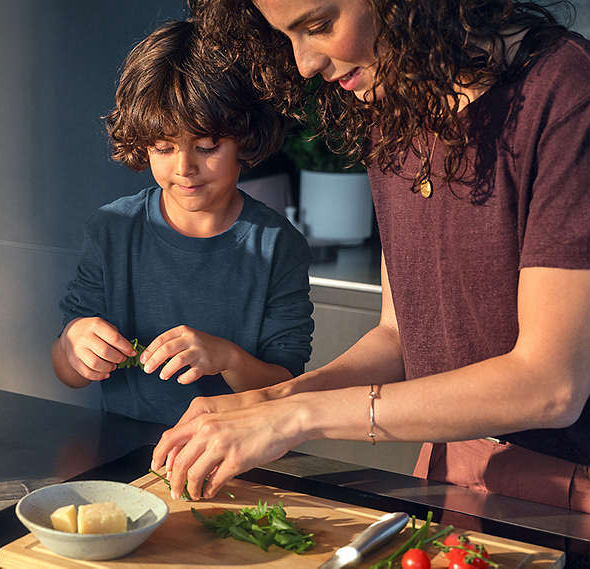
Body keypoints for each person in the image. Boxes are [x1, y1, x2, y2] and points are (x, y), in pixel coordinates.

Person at [152, 0, 590, 512]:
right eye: (287, 37)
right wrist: (271, 400)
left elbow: (549, 385)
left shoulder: (566, 92)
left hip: (567, 491)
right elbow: (400, 336)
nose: (304, 64)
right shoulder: (396, 109)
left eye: (319, 26)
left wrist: (296, 418)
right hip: (449, 468)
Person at [51, 19, 314, 426]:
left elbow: (286, 386)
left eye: (206, 147)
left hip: (238, 450)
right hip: (129, 448)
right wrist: (74, 345)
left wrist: (227, 358)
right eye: (163, 147)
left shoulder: (278, 246)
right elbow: (68, 373)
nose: (184, 168)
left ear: (245, 137)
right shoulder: (112, 230)